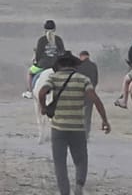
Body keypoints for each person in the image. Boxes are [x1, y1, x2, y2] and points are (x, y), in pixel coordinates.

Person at [38, 50, 110, 195]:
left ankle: (64, 192)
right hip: (78, 127)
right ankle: (79, 185)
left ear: (59, 65)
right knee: (81, 159)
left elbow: (41, 92)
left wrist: (44, 107)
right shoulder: (83, 79)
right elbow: (95, 99)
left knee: (60, 164)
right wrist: (104, 120)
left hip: (58, 129)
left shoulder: (53, 78)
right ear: (74, 65)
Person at [23, 19, 65, 99]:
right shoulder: (59, 40)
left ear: (44, 29)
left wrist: (37, 62)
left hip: (43, 65)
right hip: (57, 66)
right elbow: (62, 53)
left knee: (30, 72)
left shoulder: (42, 40)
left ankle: (30, 92)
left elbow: (38, 55)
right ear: (55, 29)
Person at [76, 51, 99, 140]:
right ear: (88, 56)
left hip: (79, 93)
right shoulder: (93, 65)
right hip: (90, 92)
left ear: (81, 56)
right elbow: (96, 80)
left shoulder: (78, 66)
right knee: (88, 114)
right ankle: (86, 134)